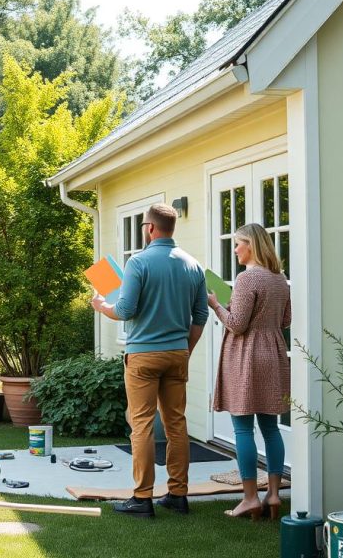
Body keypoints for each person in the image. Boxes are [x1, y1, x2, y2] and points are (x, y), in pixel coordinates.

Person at [91, 203, 209, 518]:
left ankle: (142, 498)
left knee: (141, 424)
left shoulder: (138, 263)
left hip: (143, 355)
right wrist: (187, 348)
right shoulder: (193, 265)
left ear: (150, 228)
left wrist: (102, 305)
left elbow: (125, 310)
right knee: (176, 424)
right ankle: (178, 494)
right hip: (176, 353)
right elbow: (200, 315)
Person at [209, 222, 291, 521]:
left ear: (251, 246)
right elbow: (285, 319)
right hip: (274, 353)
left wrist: (217, 305)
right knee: (270, 428)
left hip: (246, 356)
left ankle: (249, 499)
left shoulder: (247, 278)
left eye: (238, 243)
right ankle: (273, 494)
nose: (235, 249)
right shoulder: (280, 279)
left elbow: (237, 324)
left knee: (243, 428)